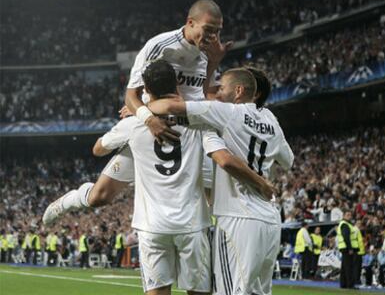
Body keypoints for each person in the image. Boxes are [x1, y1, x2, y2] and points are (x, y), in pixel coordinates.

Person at [42, 0, 231, 227]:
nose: (212, 37)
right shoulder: (160, 46)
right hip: (151, 131)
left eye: (217, 32)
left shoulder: (209, 52)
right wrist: (148, 118)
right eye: (208, 30)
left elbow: (203, 95)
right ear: (191, 23)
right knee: (101, 197)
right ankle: (66, 202)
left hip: (191, 134)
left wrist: (214, 61)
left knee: (216, 198)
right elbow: (131, 96)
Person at [92, 60, 275, 295]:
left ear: (146, 89)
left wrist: (139, 113)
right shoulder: (199, 120)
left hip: (152, 226)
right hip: (192, 224)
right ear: (178, 83)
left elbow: (98, 149)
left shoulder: (133, 123)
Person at [147, 67, 294, 295]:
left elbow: (166, 107)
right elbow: (288, 160)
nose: (217, 92)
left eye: (222, 88)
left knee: (228, 291)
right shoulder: (271, 119)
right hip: (270, 220)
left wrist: (141, 112)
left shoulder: (225, 114)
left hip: (238, 218)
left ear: (238, 91)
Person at [337, 210, 358, 289]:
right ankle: (350, 285)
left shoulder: (344, 224)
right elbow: (346, 237)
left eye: (350, 215)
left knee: (344, 267)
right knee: (349, 267)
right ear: (344, 216)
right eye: (348, 215)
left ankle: (343, 284)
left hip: (344, 247)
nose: (350, 216)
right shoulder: (345, 225)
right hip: (347, 248)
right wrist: (350, 248)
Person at [354, 220, 365, 285]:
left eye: (360, 223)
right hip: (357, 252)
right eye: (358, 223)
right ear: (356, 223)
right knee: (357, 267)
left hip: (359, 251)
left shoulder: (358, 230)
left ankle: (357, 280)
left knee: (358, 267)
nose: (360, 224)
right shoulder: (356, 230)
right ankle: (356, 280)